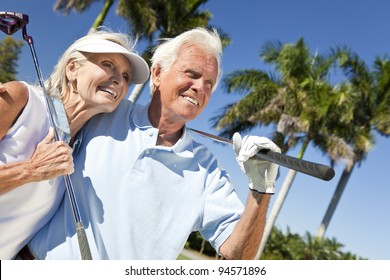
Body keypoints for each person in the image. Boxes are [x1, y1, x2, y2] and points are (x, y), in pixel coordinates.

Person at [27, 27, 280, 260]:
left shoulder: (208, 171)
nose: (199, 88)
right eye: (192, 74)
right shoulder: (105, 111)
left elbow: (239, 254)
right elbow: (43, 110)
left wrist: (261, 189)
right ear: (157, 74)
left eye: (209, 84)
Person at [0, 29, 149, 259]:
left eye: (126, 76)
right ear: (72, 69)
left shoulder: (82, 150)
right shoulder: (20, 98)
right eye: (108, 64)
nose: (118, 79)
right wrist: (29, 170)